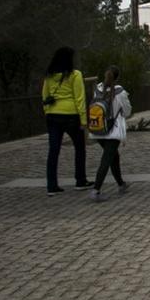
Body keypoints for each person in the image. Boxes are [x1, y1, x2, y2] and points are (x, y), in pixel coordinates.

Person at [42, 46, 90, 195]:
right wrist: (83, 120)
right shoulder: (75, 75)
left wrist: (48, 112)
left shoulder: (49, 76)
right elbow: (79, 98)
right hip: (71, 115)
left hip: (53, 115)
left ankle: (51, 185)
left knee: (53, 150)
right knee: (79, 148)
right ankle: (80, 180)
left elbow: (45, 96)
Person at [88, 65, 132, 202]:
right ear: (118, 77)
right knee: (107, 159)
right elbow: (127, 111)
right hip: (113, 131)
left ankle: (121, 184)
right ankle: (96, 190)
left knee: (114, 156)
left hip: (98, 129)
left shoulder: (97, 89)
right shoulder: (120, 92)